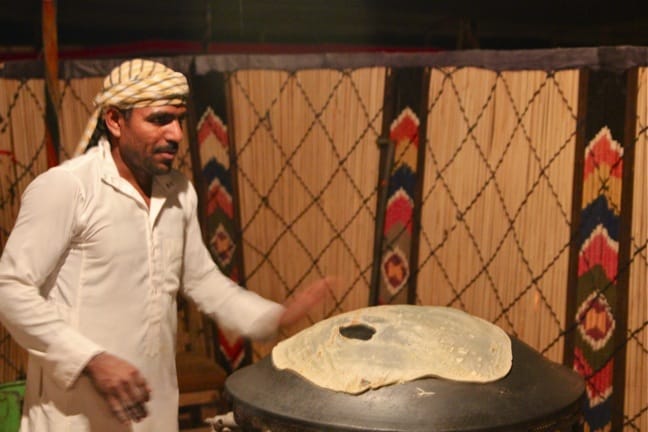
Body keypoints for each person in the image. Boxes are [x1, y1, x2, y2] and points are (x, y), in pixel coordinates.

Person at [0, 59, 329, 432]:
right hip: (75, 416)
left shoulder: (179, 192)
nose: (174, 134)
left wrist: (273, 317)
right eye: (159, 120)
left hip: (151, 410)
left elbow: (202, 280)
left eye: (178, 120)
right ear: (114, 120)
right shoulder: (68, 188)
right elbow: (11, 289)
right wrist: (91, 359)